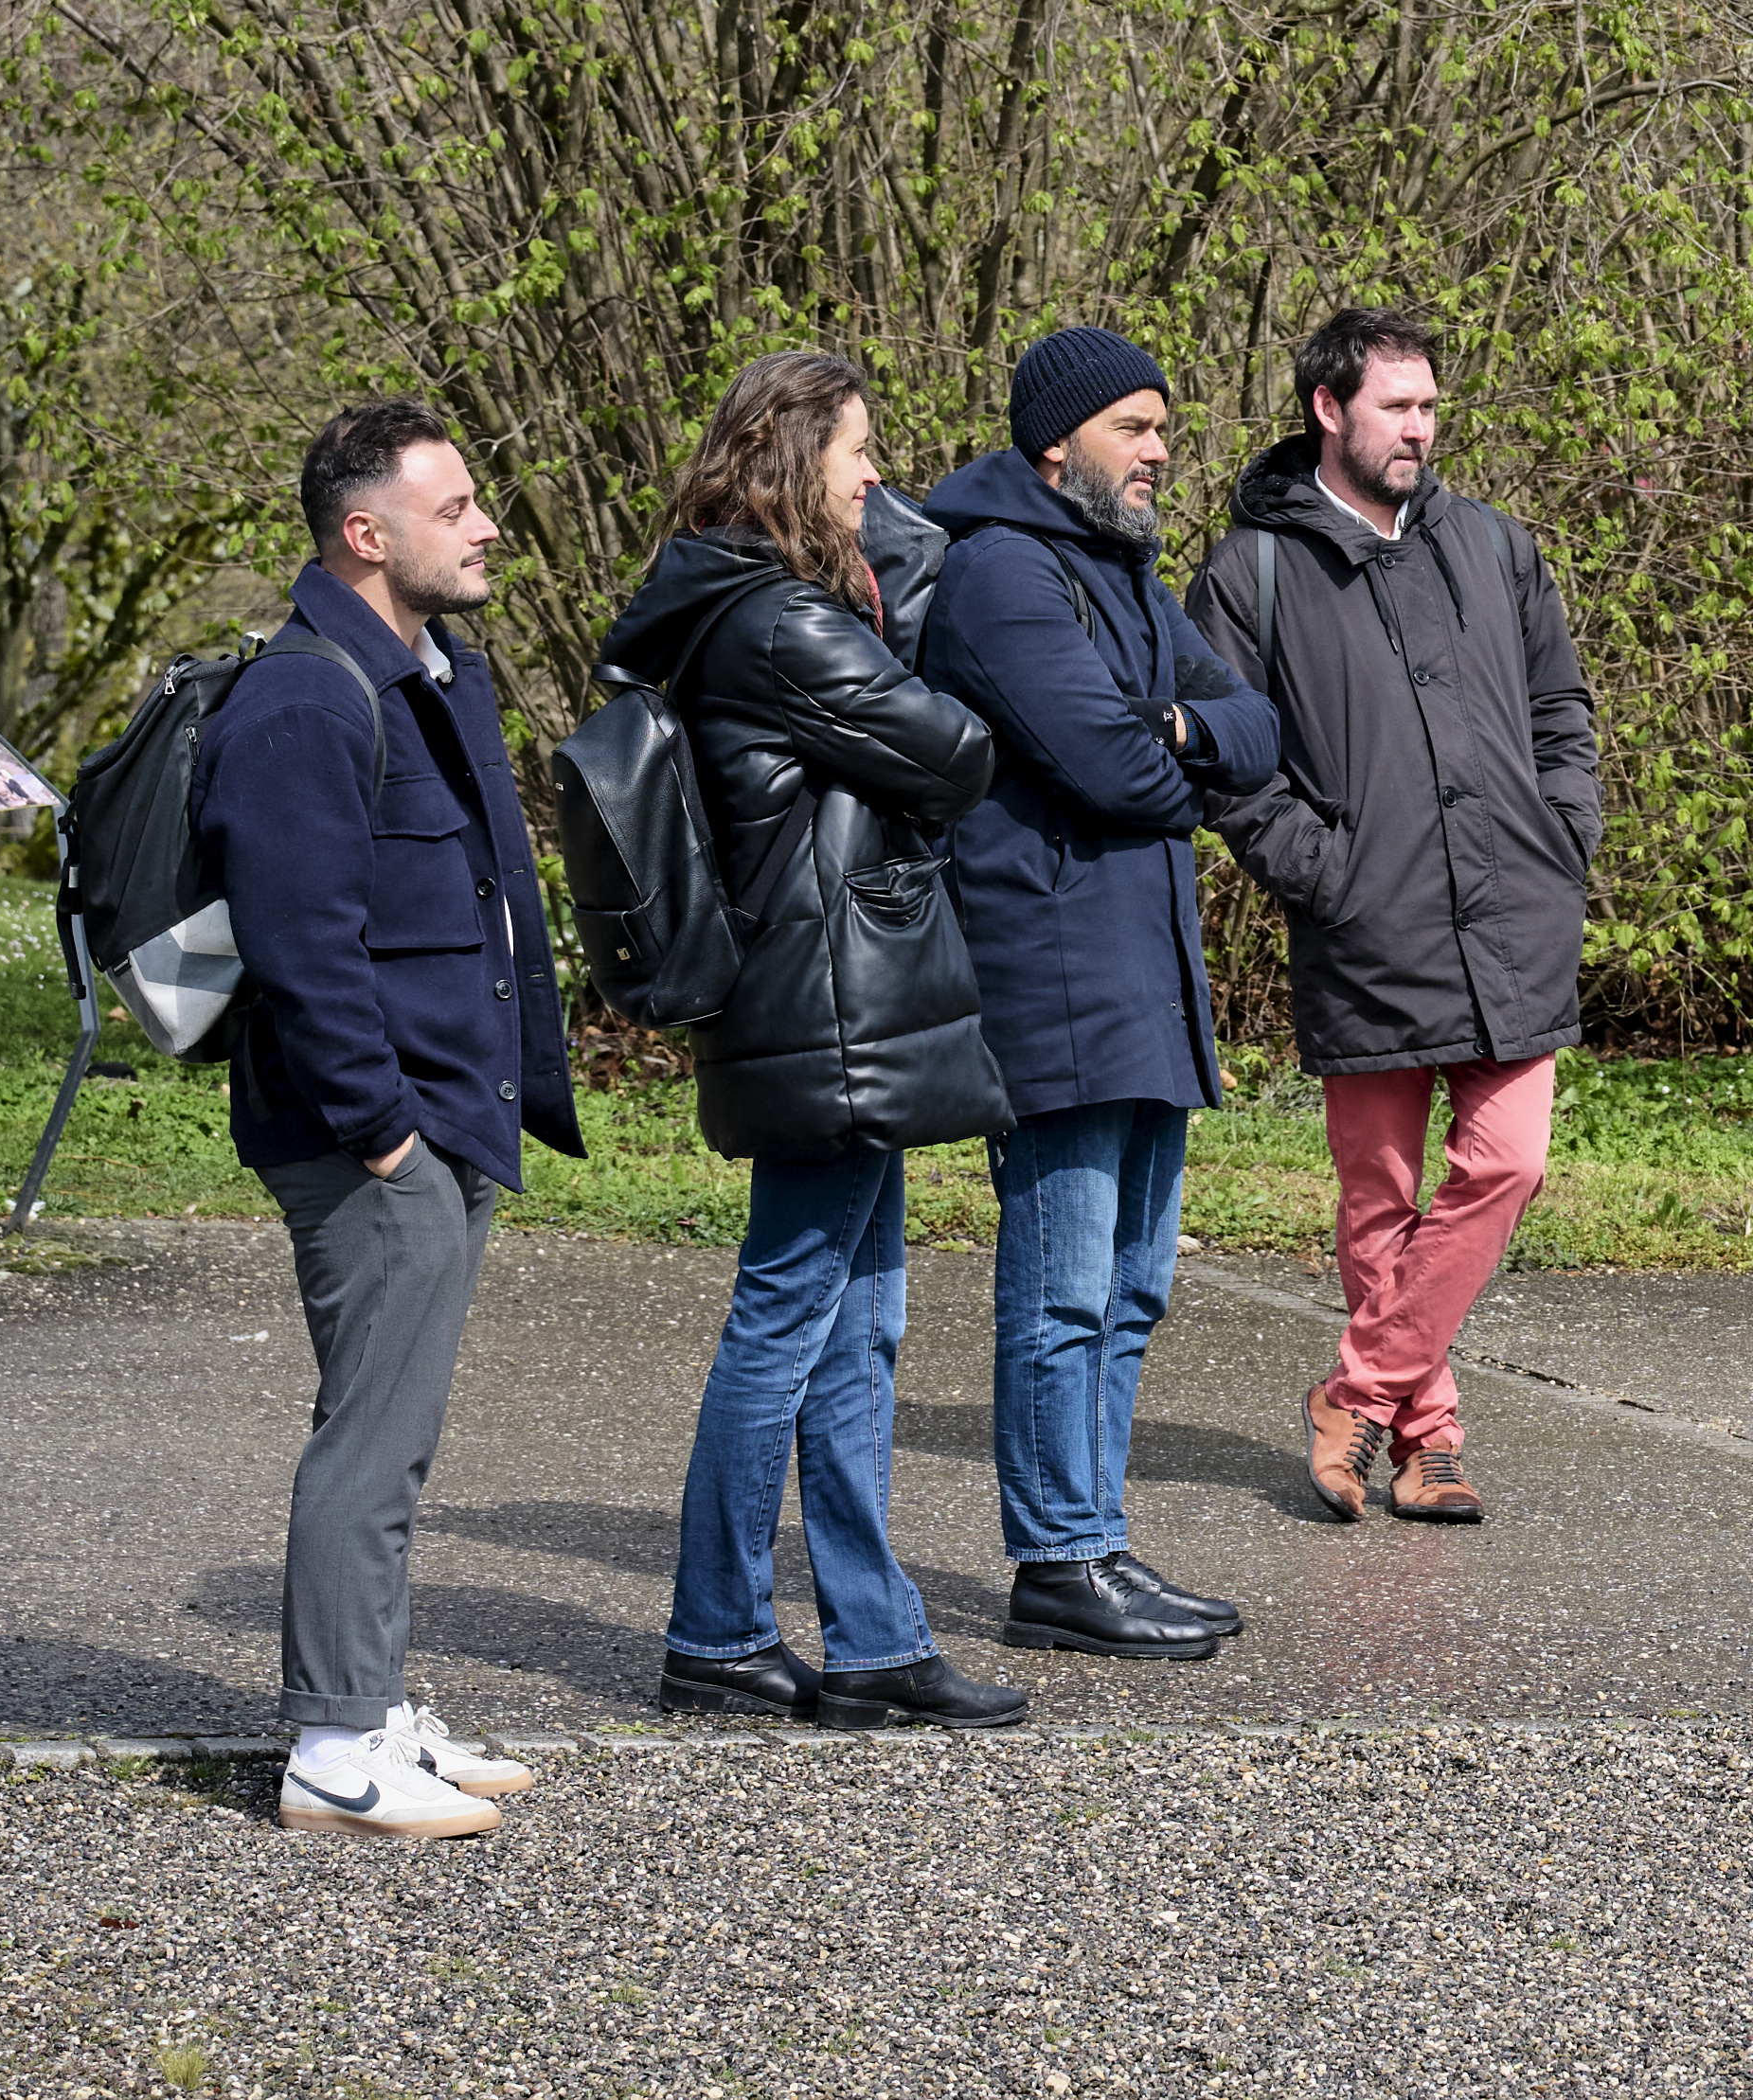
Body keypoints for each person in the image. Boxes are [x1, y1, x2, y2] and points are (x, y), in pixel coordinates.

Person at [610, 354, 1030, 1732]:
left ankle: (870, 1634)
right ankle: (719, 1628)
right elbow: (954, 752)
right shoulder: (781, 624)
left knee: (857, 1327)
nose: (874, 478)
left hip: (826, 1013)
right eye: (856, 452)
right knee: (788, 1318)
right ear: (797, 461)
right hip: (832, 1019)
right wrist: (899, 572)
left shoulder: (736, 605)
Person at [193, 401, 575, 1838]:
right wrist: (385, 1132)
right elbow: (303, 947)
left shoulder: (428, 671)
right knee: (370, 1438)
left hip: (439, 1121)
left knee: (397, 1434)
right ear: (368, 533)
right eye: (456, 504)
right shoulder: (304, 697)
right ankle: (335, 1749)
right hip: (377, 1136)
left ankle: (375, 1696)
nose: (487, 525)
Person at [1191, 307, 1599, 1523]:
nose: (1421, 428)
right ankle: (1430, 1442)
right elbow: (1229, 763)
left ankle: (1355, 1392)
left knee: (1509, 1162)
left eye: (1429, 406)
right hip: (1366, 924)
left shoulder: (1492, 544)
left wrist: (1561, 829)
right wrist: (1326, 870)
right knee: (1379, 1197)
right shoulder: (1251, 572)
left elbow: (1559, 707)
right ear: (1330, 409)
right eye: (1397, 407)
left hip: (1511, 911)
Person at [922, 325, 1284, 1663]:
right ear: (1052, 442)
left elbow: (1253, 728)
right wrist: (1170, 743)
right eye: (1133, 427)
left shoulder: (1122, 572)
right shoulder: (998, 575)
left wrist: (1172, 726)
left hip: (1146, 980)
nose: (1159, 453)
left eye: (1164, 428)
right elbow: (1121, 778)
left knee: (1133, 1286)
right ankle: (1056, 1557)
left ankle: (1099, 1538)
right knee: (1062, 1287)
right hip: (1051, 978)